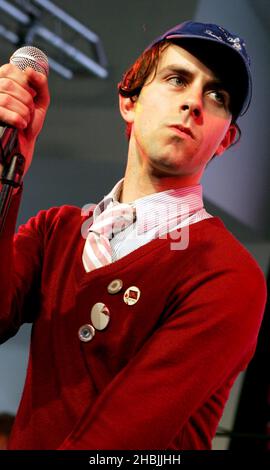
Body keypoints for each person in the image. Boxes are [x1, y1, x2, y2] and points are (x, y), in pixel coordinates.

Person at [0, 20, 267, 450]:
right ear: (129, 99)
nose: (194, 103)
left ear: (225, 141)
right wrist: (3, 174)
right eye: (177, 79)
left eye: (217, 96)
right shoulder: (58, 232)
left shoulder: (229, 276)